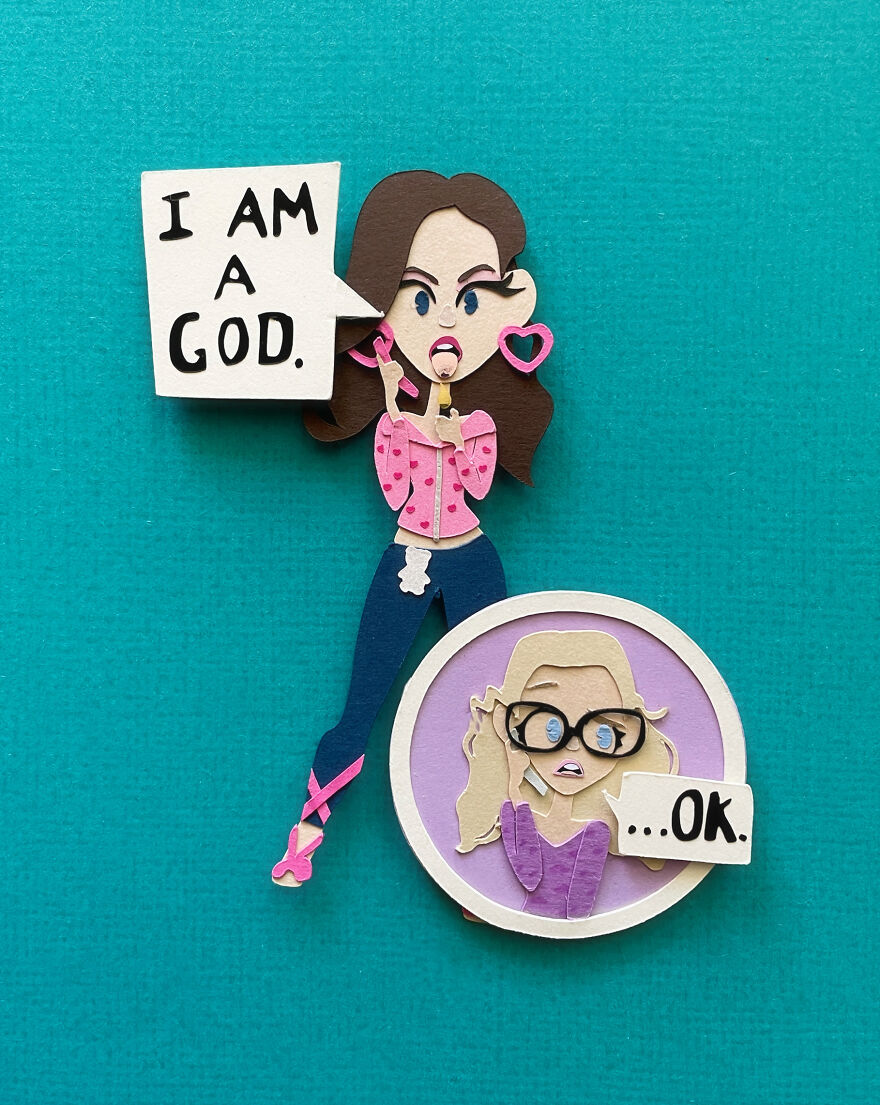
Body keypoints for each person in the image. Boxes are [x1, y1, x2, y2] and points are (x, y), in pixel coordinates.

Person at [273, 172, 554, 885]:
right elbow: (397, 487)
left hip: (471, 557)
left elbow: (479, 482)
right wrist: (401, 417)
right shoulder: (393, 424)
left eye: (472, 299)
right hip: (407, 557)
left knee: (497, 712)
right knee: (362, 701)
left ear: (514, 304)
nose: (447, 325)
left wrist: (454, 433)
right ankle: (307, 835)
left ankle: (504, 863)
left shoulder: (480, 421)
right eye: (420, 299)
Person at [456, 631, 679, 918]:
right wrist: (514, 785)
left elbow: (578, 907)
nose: (573, 746)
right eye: (549, 727)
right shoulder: (513, 814)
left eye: (603, 733)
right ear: (506, 725)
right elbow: (529, 874)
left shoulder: (597, 832)